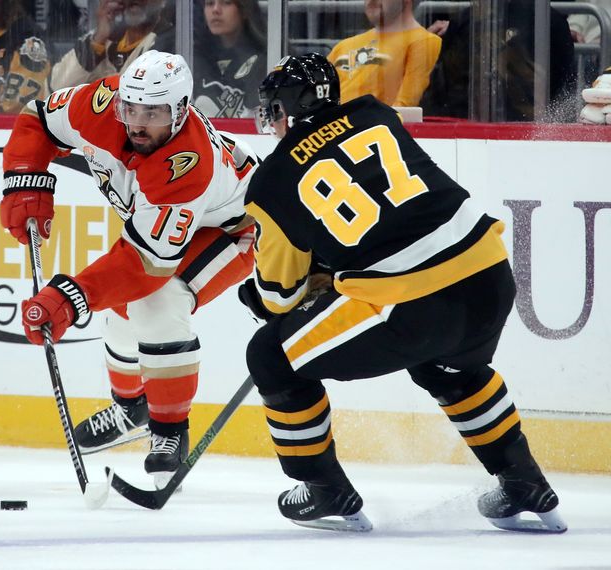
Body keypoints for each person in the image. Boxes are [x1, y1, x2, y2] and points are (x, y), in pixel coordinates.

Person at [239, 53, 567, 533]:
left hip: (411, 306)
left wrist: (267, 294)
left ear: (285, 109)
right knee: (453, 368)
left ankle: (322, 487)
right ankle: (523, 482)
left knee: (270, 355)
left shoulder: (271, 182)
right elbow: (392, 206)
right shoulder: (375, 114)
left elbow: (279, 298)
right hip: (489, 275)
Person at [1, 51, 257, 485]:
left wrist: (67, 297)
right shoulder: (99, 105)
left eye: (153, 112)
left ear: (180, 110)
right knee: (119, 311)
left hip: (236, 228)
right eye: (131, 108)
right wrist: (26, 179)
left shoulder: (187, 165)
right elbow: (38, 120)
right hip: (172, 225)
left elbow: (148, 265)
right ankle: (130, 407)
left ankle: (169, 430)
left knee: (158, 302)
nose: (137, 122)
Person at [421, 1, 576, 121]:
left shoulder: (550, 23)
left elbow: (564, 87)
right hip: (469, 127)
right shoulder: (466, 20)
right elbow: (446, 88)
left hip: (527, 128)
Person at [326, 0, 441, 107]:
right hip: (332, 124)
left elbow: (404, 107)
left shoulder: (423, 42)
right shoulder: (344, 46)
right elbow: (316, 97)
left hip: (373, 125)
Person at [49, 0, 173, 91]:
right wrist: (98, 40)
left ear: (163, 2)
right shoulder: (101, 38)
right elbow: (58, 87)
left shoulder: (171, 42)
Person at [192, 0, 267, 119]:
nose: (215, 10)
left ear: (245, 10)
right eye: (210, 3)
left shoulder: (265, 60)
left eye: (226, 2)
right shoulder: (192, 55)